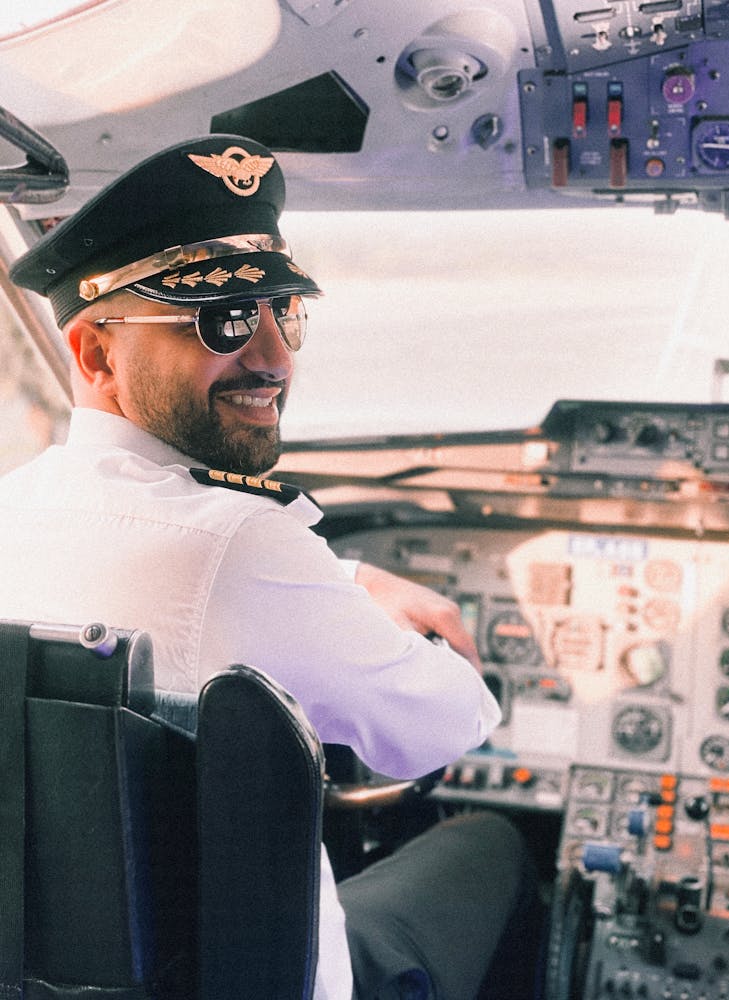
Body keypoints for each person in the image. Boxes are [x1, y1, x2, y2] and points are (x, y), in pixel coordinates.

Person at [0, 135, 538, 999]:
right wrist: (391, 614)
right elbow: (444, 725)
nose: (275, 360)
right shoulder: (238, 540)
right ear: (96, 354)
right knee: (493, 844)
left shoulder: (12, 511)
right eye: (220, 320)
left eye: (283, 313)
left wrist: (352, 582)